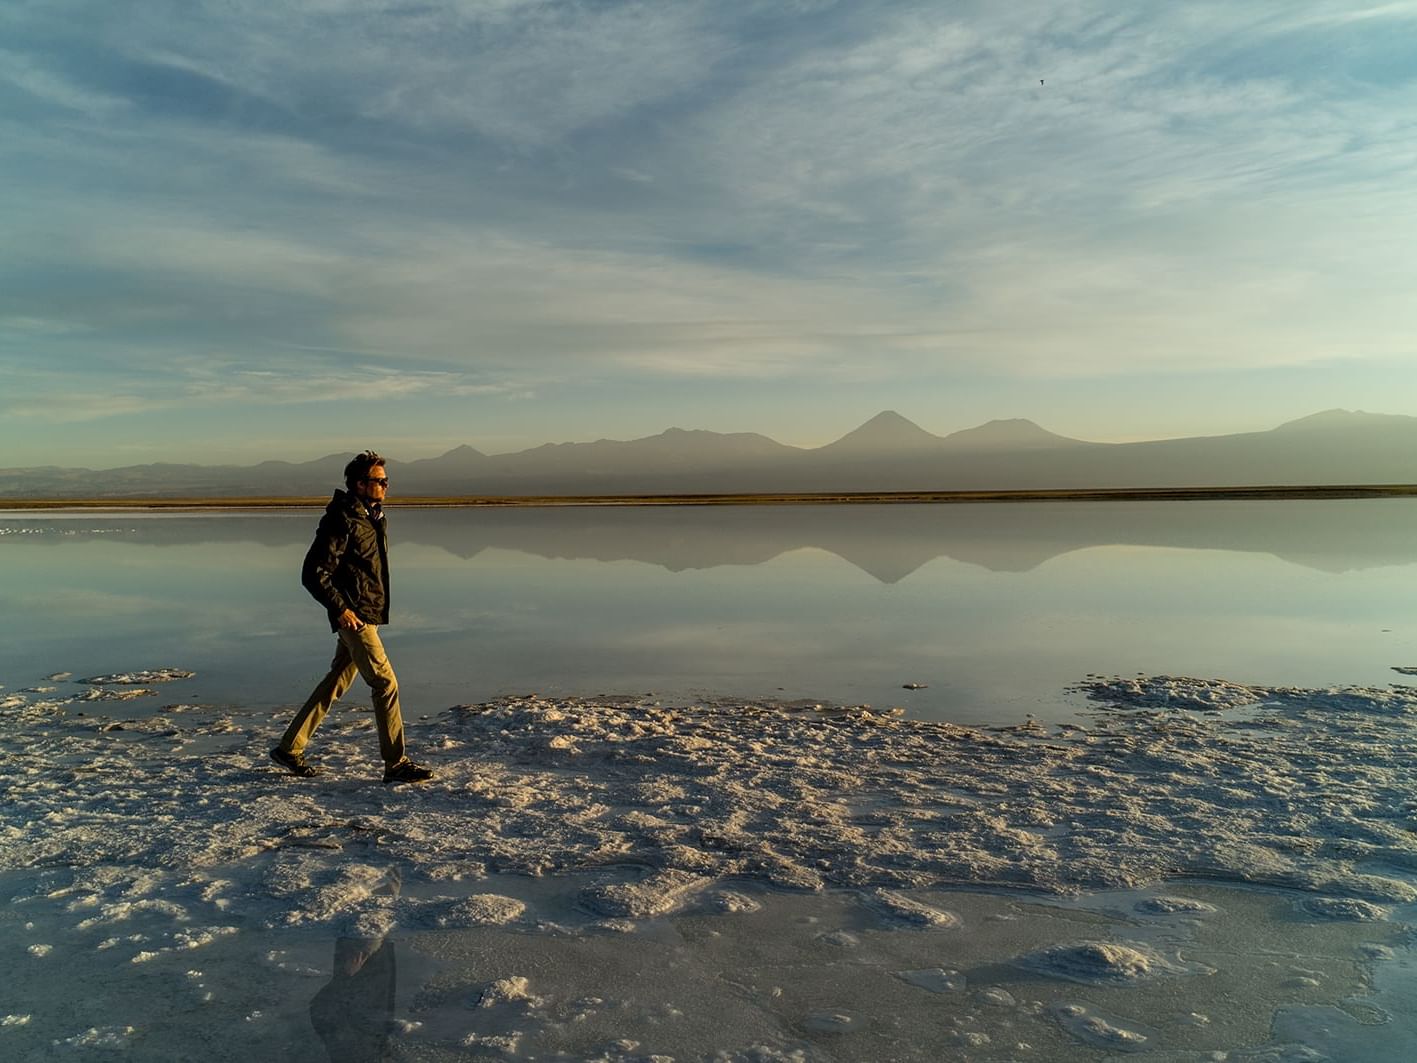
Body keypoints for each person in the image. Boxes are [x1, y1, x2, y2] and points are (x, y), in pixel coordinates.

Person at [271, 450, 434, 785]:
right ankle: (395, 763)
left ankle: (290, 748)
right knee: (385, 683)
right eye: (380, 481)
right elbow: (313, 573)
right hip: (355, 617)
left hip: (365, 614)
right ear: (360, 484)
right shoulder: (342, 519)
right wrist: (341, 609)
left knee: (336, 682)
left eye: (387, 481)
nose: (386, 486)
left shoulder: (373, 516)